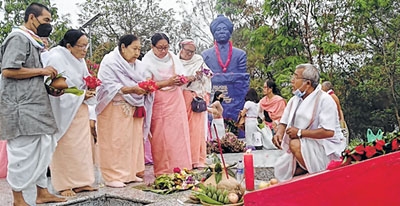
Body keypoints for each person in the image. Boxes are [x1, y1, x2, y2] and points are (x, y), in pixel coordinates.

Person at [0, 3, 66, 205]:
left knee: (43, 147)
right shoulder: (18, 38)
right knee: (22, 151)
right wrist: (42, 71)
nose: (49, 25)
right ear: (31, 18)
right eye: (46, 20)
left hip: (35, 105)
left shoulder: (34, 41)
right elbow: (8, 70)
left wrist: (48, 84)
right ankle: (18, 199)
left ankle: (42, 193)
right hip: (21, 108)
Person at [96, 34, 173, 187]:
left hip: (134, 106)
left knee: (132, 141)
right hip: (114, 107)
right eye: (134, 48)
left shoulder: (139, 65)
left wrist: (146, 89)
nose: (137, 53)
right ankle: (112, 176)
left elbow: (144, 82)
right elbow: (108, 86)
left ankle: (130, 173)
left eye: (139, 49)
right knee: (116, 141)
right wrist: (132, 89)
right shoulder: (110, 62)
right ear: (123, 47)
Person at [272, 64, 346, 182]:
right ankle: (306, 170)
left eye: (296, 77)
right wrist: (279, 134)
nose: (292, 80)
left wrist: (300, 133)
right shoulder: (295, 100)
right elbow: (284, 122)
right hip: (306, 144)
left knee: (295, 144)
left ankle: (318, 177)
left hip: (325, 148)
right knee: (284, 171)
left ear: (307, 83)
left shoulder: (325, 100)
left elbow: (328, 132)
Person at [46, 29, 97, 196]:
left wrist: (90, 88)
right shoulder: (56, 57)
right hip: (63, 110)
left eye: (86, 46)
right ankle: (64, 185)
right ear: (69, 46)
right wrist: (81, 95)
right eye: (81, 46)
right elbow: (54, 88)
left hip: (79, 109)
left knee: (82, 148)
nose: (84, 50)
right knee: (64, 147)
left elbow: (83, 81)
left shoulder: (79, 60)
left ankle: (82, 182)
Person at [141, 33, 193, 176]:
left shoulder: (173, 58)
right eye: (160, 48)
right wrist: (167, 82)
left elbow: (183, 75)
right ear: (152, 47)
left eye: (166, 47)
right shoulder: (147, 61)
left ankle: (182, 168)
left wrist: (182, 80)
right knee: (161, 136)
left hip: (176, 99)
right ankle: (164, 170)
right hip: (158, 101)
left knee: (179, 134)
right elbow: (146, 85)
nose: (163, 51)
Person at [201, 14, 249, 121]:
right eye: (218, 29)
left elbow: (241, 80)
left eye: (224, 29)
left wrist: (218, 77)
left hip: (235, 100)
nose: (221, 31)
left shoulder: (240, 55)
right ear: (214, 33)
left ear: (230, 32)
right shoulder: (205, 55)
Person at [179, 39, 213, 169]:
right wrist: (187, 78)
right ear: (181, 48)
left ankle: (196, 159)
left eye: (192, 52)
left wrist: (200, 76)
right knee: (182, 129)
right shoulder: (175, 61)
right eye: (187, 51)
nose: (189, 54)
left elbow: (208, 75)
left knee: (196, 130)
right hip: (180, 97)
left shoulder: (199, 60)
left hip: (196, 97)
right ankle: (183, 158)